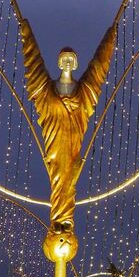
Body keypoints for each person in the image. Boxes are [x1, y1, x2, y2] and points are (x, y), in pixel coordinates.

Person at [21, 19, 117, 262]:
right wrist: (25, 29)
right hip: (54, 145)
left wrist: (111, 35)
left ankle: (64, 222)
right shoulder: (46, 92)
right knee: (59, 177)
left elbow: (98, 69)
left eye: (70, 59)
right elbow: (34, 64)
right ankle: (59, 221)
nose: (66, 62)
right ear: (58, 62)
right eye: (63, 58)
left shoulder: (84, 94)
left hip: (73, 144)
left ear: (75, 64)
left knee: (68, 179)